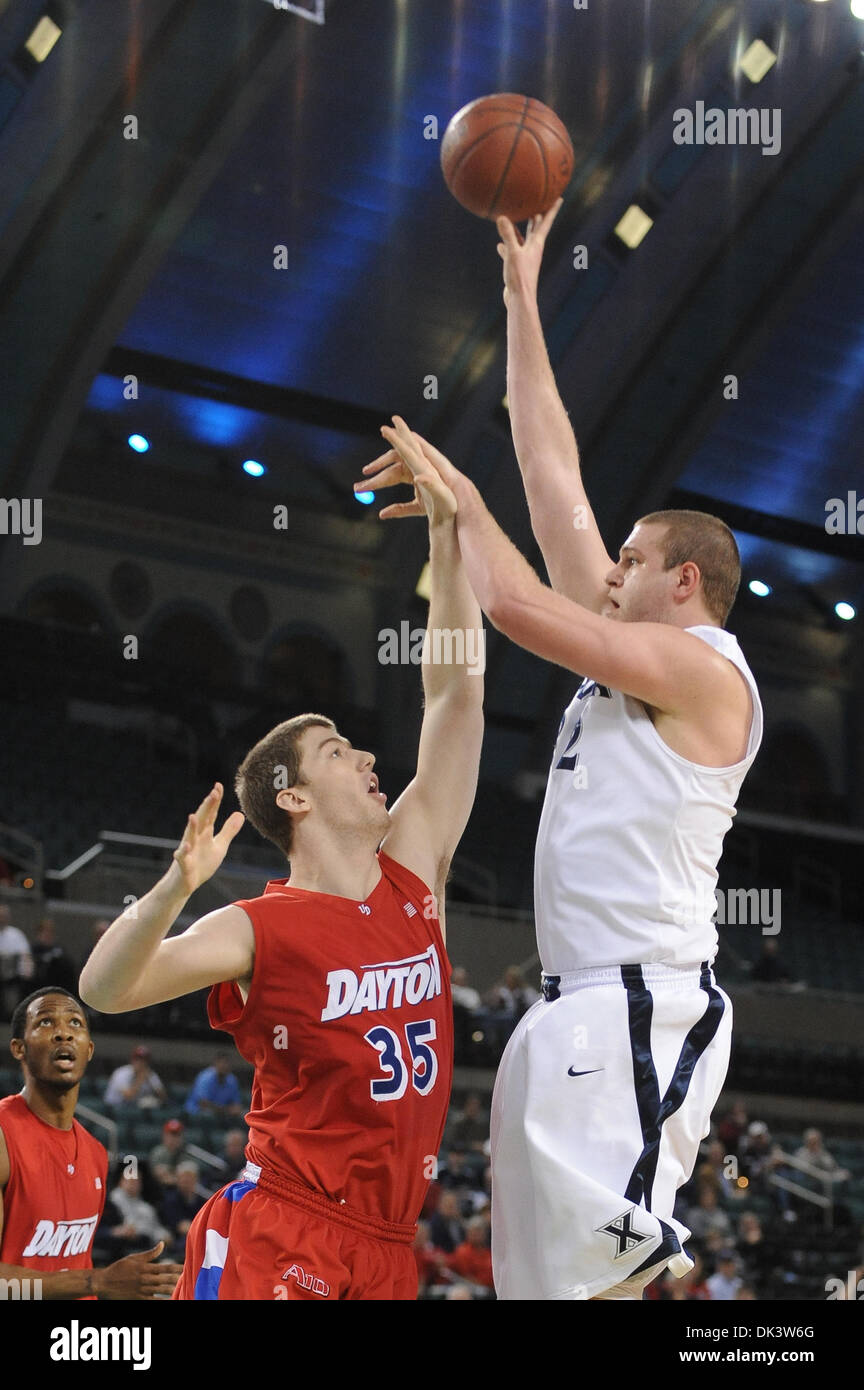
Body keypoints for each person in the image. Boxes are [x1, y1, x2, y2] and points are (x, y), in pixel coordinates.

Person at [357, 211, 763, 1301]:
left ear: (685, 582)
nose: (609, 567)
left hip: (638, 1002)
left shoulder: (706, 671)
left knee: (605, 1291)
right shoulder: (638, 650)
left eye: (630, 560)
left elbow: (520, 606)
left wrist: (459, 506)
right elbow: (552, 470)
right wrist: (523, 301)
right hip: (568, 1006)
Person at [79, 422, 484, 1302]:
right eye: (339, 751)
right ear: (293, 797)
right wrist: (175, 888)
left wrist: (449, 542)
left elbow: (454, 691)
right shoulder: (258, 925)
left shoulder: (414, 875)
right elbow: (103, 992)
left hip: (387, 1246)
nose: (369, 759)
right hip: (282, 1224)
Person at [0, 986, 181, 1298]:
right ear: (19, 1048)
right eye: (45, 1022)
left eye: (75, 1024)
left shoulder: (96, 1154)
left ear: (89, 1049)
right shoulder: (4, 1134)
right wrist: (98, 1281)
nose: (63, 1034)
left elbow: (73, 1265)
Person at [103, 1044, 167, 1110]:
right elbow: (128, 1096)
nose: (140, 1062)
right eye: (137, 1059)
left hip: (131, 1108)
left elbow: (163, 1097)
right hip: (112, 1108)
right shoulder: (121, 1073)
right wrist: (141, 1078)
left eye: (144, 1060)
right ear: (132, 1060)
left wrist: (152, 1083)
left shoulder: (150, 1074)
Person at [184, 1051, 244, 1118]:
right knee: (208, 1115)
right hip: (197, 1113)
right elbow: (203, 1104)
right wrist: (227, 1110)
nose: (225, 1066)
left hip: (221, 1114)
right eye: (222, 1062)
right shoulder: (205, 1077)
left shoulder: (232, 1080)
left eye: (227, 1063)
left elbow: (237, 1104)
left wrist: (236, 1109)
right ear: (216, 1063)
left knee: (243, 1115)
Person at [0, 903, 33, 1021]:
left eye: (4, 915)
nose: (1, 918)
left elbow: (26, 957)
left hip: (13, 978)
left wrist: (27, 973)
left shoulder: (16, 935)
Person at [149, 1119, 194, 1190]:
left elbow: (190, 1177)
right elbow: (160, 1175)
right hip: (159, 1189)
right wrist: (179, 1178)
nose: (173, 1139)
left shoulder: (187, 1153)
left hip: (182, 1191)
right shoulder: (158, 1152)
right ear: (164, 1136)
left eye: (176, 1135)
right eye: (170, 1135)